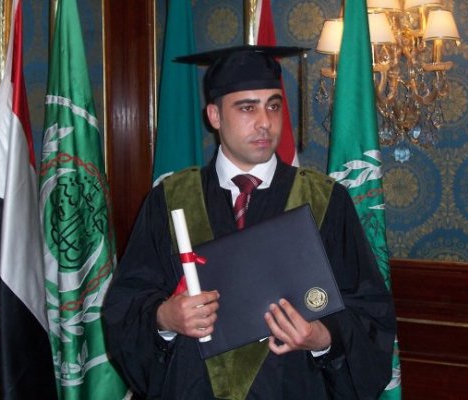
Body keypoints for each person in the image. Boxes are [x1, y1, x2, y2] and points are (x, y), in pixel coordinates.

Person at [102, 45, 396, 400]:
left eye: (273, 106)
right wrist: (164, 318)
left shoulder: (325, 200)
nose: (265, 122)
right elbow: (126, 304)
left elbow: (370, 313)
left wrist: (323, 338)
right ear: (214, 115)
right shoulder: (170, 199)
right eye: (247, 108)